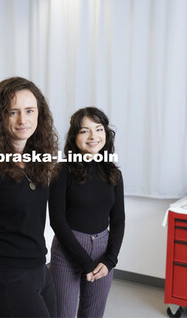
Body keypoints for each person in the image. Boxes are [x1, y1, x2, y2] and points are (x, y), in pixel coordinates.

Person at [0, 77, 58, 317]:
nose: (22, 120)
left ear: (40, 114)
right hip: (4, 274)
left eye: (29, 111)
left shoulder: (39, 160)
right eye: (12, 112)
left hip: (39, 268)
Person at [49, 107, 125, 317]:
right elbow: (57, 221)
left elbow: (118, 220)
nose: (93, 136)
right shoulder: (61, 171)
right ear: (74, 137)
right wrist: (85, 262)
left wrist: (110, 261)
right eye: (85, 131)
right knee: (62, 313)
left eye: (99, 129)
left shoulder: (113, 174)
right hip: (67, 250)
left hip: (103, 250)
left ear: (106, 134)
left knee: (93, 313)